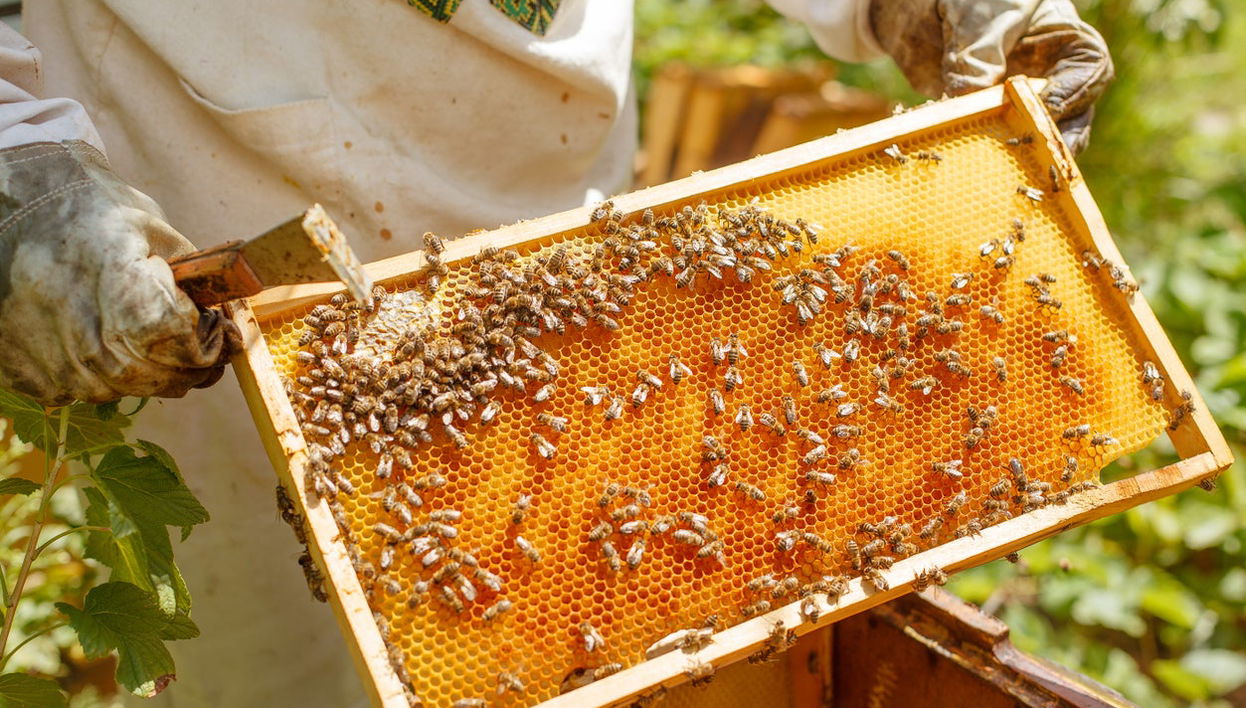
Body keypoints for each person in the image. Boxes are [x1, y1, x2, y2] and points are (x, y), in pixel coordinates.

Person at [0, 1, 1112, 705]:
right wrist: (18, 172)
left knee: (580, 613)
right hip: (225, 243)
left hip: (573, 251)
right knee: (281, 662)